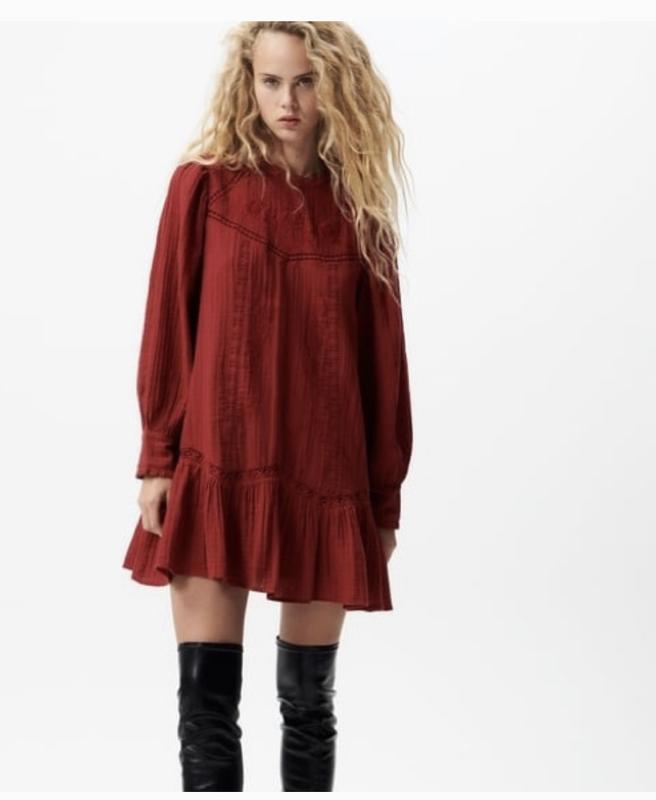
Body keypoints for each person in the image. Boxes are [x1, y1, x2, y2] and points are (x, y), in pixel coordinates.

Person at [122, 20, 413, 792]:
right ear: (247, 84)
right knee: (205, 708)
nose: (288, 100)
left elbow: (384, 368)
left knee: (309, 707)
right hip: (216, 465)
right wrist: (158, 458)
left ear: (336, 88)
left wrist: (382, 500)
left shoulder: (360, 214)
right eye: (272, 81)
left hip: (326, 479)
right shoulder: (203, 187)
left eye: (307, 81)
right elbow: (168, 324)